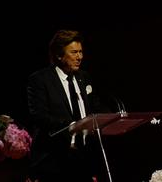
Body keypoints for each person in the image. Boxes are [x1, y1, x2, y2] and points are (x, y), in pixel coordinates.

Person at [27, 30, 106, 182]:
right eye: (74, 52)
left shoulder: (84, 77)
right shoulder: (40, 80)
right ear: (59, 55)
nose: (80, 57)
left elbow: (96, 108)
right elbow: (39, 116)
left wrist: (111, 118)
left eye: (81, 52)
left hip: (84, 161)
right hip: (54, 162)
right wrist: (72, 126)